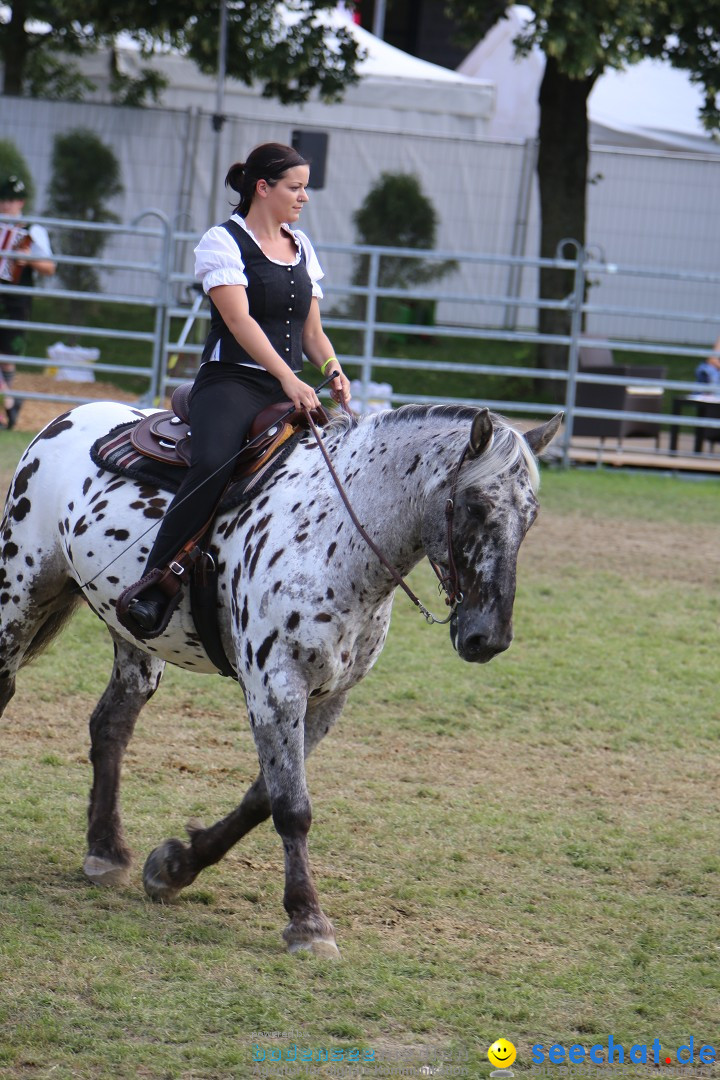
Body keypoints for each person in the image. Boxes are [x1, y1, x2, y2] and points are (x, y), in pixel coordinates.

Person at [126, 142, 352, 634]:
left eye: (305, 188)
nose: (304, 198)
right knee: (213, 463)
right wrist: (289, 378)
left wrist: (332, 367)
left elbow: (311, 333)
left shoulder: (302, 246)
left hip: (288, 388)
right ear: (262, 188)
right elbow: (239, 320)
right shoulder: (221, 242)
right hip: (231, 383)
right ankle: (154, 584)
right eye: (295, 187)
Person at [0, 174, 56, 428]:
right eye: (3, 199)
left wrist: (27, 259)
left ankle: (5, 412)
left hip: (15, 301)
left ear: (21, 201)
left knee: (7, 357)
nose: (6, 205)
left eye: (11, 200)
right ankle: (9, 405)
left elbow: (49, 267)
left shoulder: (32, 231)